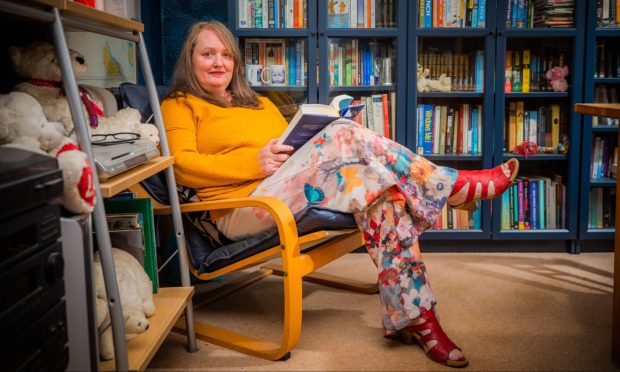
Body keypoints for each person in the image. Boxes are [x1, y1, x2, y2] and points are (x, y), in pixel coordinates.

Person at [161, 21, 519, 368]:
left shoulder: (260, 103)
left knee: (384, 194)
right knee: (345, 135)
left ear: (236, 63)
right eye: (208, 54)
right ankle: (447, 185)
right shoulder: (179, 104)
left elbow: (289, 152)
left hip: (286, 189)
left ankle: (417, 315)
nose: (219, 62)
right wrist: (256, 161)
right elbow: (181, 166)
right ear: (190, 60)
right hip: (240, 207)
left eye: (226, 54)